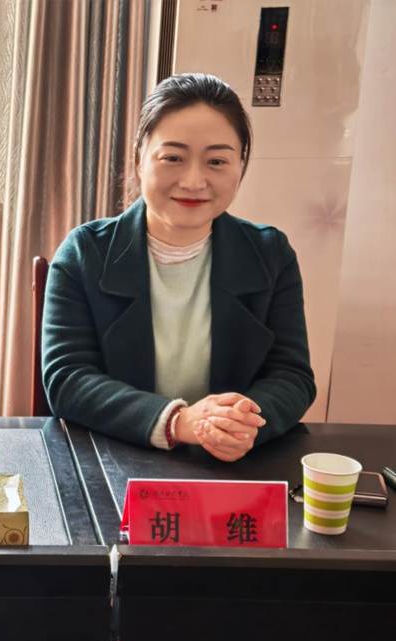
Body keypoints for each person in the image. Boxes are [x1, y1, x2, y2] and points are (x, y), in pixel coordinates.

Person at [42, 73, 315, 462]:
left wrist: (242, 424)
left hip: (232, 464)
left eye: (217, 161)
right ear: (139, 159)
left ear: (240, 167)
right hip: (115, 457)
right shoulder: (85, 253)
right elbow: (67, 378)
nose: (193, 181)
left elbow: (292, 376)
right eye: (173, 157)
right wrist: (179, 422)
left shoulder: (271, 253)